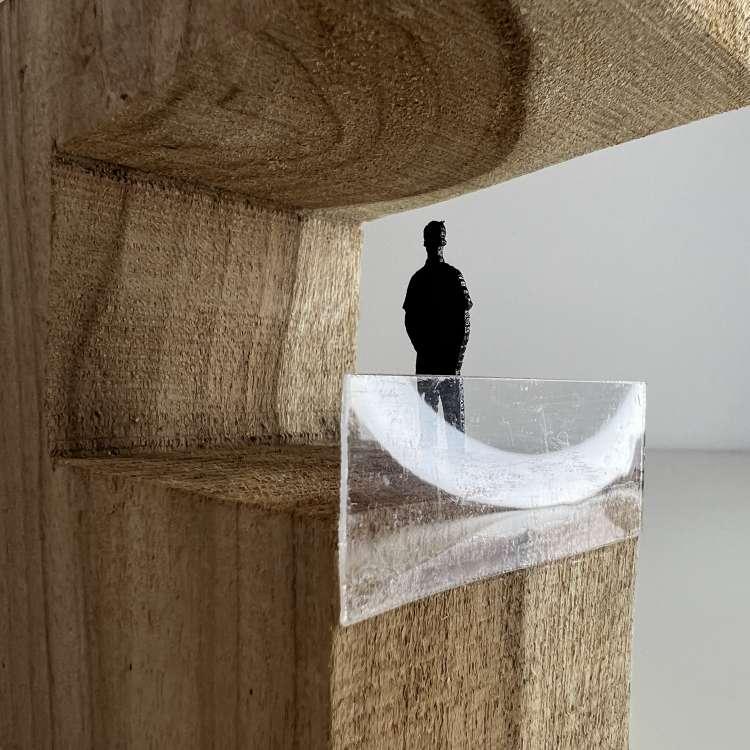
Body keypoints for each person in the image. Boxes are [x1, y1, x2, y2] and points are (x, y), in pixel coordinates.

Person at [403, 220, 472, 446]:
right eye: (432, 241)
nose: (435, 245)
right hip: (428, 363)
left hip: (448, 363)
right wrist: (423, 349)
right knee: (428, 428)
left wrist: (456, 360)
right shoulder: (418, 279)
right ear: (426, 243)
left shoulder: (453, 276)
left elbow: (464, 322)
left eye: (437, 241)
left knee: (454, 426)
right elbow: (410, 321)